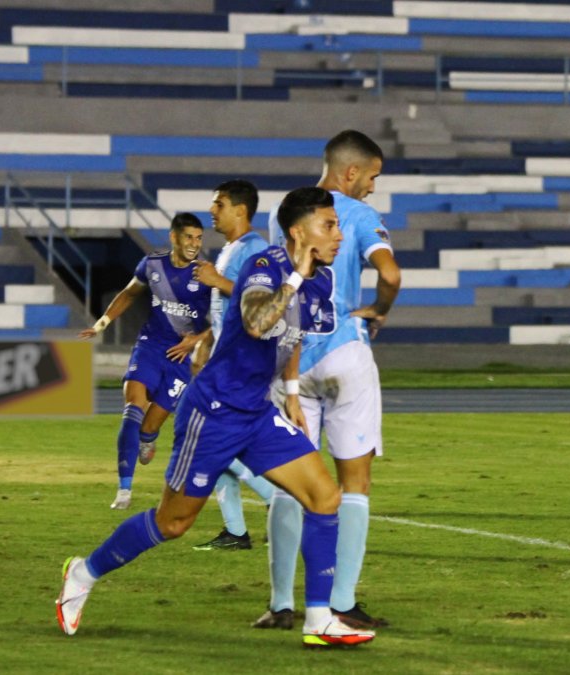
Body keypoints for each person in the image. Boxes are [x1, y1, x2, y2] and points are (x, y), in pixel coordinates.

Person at [56, 187, 374, 648]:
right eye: (329, 226)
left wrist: (289, 394)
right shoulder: (263, 268)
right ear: (297, 232)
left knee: (325, 498)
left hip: (257, 413)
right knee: (174, 523)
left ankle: (319, 618)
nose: (339, 236)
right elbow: (257, 323)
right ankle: (83, 573)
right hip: (214, 412)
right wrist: (296, 279)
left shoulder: (320, 279)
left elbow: (293, 336)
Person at [260, 130, 400, 630]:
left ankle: (279, 603)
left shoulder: (290, 212)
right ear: (351, 172)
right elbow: (390, 274)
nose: (373, 187)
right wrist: (379, 311)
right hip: (344, 352)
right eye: (373, 176)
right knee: (354, 483)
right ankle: (341, 601)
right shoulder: (358, 218)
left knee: (288, 482)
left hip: (291, 359)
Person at [81, 213, 212, 511]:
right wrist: (101, 324)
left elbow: (226, 315)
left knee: (149, 425)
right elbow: (128, 294)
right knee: (132, 409)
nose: (194, 243)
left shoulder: (205, 274)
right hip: (150, 347)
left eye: (198, 238)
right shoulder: (153, 265)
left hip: (182, 358)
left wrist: (198, 339)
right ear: (174, 237)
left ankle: (148, 437)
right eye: (189, 237)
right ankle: (124, 489)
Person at [189, 180, 276, 551]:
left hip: (243, 363)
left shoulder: (257, 251)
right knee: (213, 443)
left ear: (241, 210)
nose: (212, 210)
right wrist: (205, 341)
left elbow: (260, 302)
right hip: (224, 361)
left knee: (215, 441)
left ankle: (278, 500)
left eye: (219, 204)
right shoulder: (230, 250)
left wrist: (215, 280)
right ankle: (236, 531)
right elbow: (225, 311)